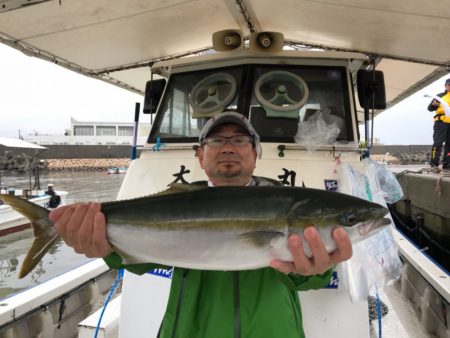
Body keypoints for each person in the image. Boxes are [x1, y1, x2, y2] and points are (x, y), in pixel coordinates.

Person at [49, 112, 353, 338]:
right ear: (200, 155)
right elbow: (138, 262)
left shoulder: (286, 202)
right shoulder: (176, 201)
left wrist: (316, 269)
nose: (228, 147)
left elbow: (311, 279)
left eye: (239, 140)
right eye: (216, 140)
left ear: (255, 154)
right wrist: (105, 246)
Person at [427, 78, 450, 173]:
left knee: (449, 146)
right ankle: (434, 165)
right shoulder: (439, 96)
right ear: (445, 86)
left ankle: (447, 165)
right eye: (448, 85)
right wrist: (434, 104)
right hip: (440, 123)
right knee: (437, 143)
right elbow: (430, 108)